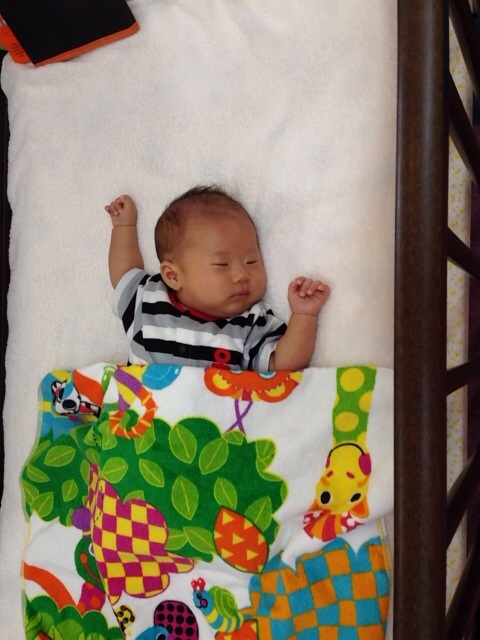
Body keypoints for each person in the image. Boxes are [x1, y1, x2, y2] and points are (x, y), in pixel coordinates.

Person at [105, 186, 330, 371]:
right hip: (140, 410)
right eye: (222, 264)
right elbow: (125, 272)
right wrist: (124, 227)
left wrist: (304, 315)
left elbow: (281, 365)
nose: (242, 275)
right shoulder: (148, 299)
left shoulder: (249, 324)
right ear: (173, 276)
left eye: (251, 261)